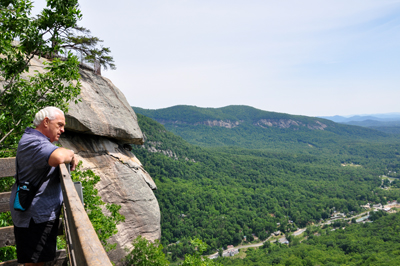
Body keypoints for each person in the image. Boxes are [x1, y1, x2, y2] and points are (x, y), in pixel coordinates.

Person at [9, 106, 77, 266]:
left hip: (37, 214)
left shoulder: (36, 140)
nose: (63, 130)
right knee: (36, 263)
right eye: (59, 125)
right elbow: (59, 157)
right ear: (46, 122)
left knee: (37, 261)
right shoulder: (33, 142)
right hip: (35, 217)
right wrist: (71, 153)